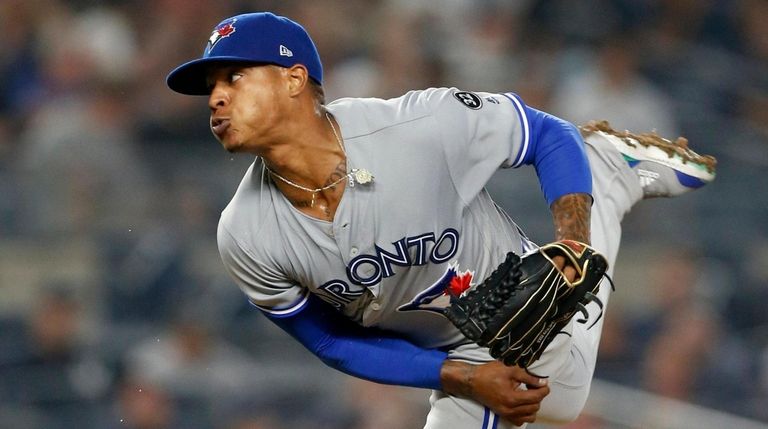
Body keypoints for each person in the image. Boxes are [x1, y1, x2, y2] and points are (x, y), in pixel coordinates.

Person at [166, 12, 716, 428]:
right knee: (560, 405)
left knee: (558, 397)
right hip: (451, 352)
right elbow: (330, 343)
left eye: (233, 77)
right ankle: (611, 178)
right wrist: (461, 376)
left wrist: (573, 244)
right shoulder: (244, 234)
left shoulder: (418, 128)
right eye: (209, 88)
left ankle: (602, 176)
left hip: (521, 297)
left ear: (292, 79)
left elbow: (549, 134)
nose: (214, 99)